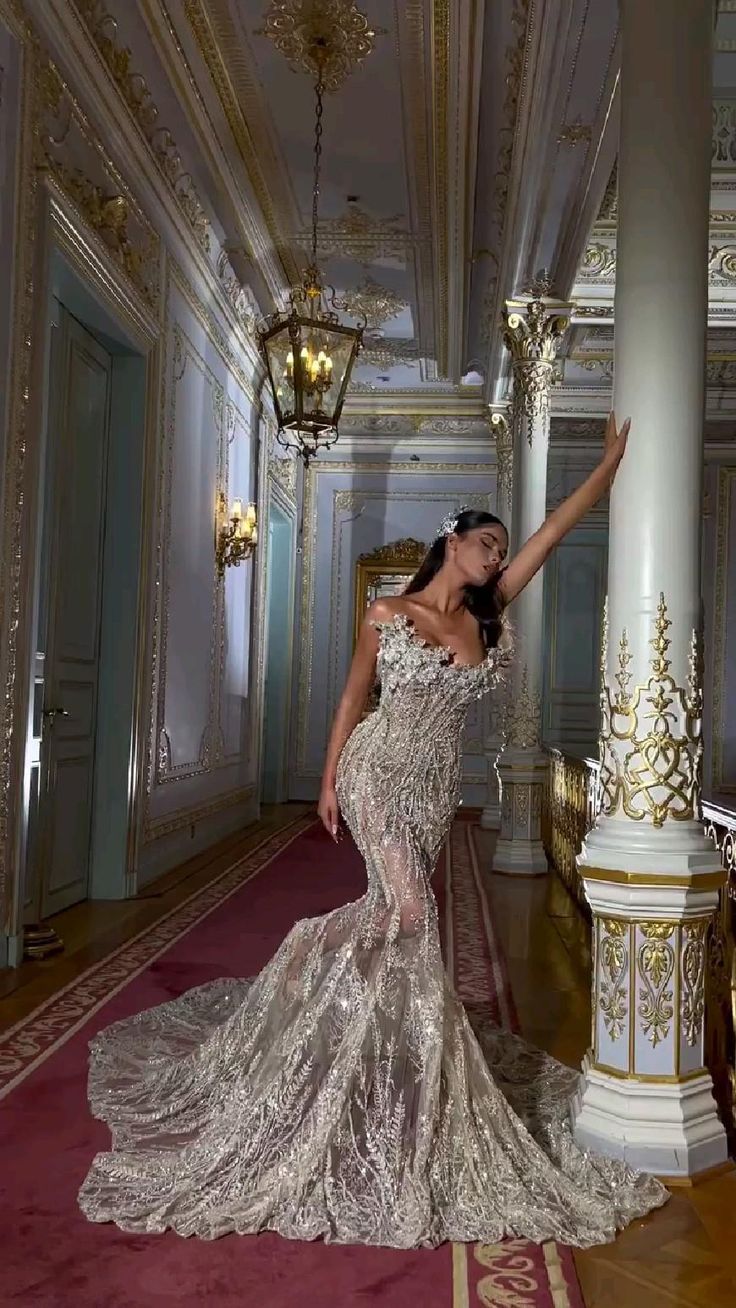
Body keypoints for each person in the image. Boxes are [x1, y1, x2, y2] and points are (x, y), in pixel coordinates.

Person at [78, 412, 668, 1248]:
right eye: (486, 544)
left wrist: (608, 466)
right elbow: (355, 699)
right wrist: (328, 780)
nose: (498, 557)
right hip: (376, 774)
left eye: (502, 551)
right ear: (452, 542)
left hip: (431, 791)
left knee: (396, 925)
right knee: (413, 918)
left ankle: (322, 1003)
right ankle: (353, 1036)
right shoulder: (387, 613)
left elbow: (554, 532)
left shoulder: (488, 614)